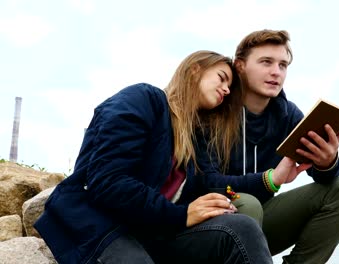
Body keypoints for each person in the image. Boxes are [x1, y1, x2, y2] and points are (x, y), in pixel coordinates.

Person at [34, 50, 275, 264]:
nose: (226, 89)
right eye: (222, 78)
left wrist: (272, 178)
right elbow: (108, 181)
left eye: (229, 87)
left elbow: (212, 182)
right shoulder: (142, 99)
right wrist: (181, 214)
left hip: (159, 234)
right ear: (194, 70)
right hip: (106, 228)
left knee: (242, 228)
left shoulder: (194, 140)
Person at [195, 30, 339, 264]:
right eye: (266, 62)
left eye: (283, 65)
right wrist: (270, 180)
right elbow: (204, 182)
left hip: (260, 221)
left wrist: (327, 161)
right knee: (247, 203)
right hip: (207, 227)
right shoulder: (213, 107)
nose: (276, 72)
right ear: (240, 66)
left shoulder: (288, 115)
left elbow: (324, 176)